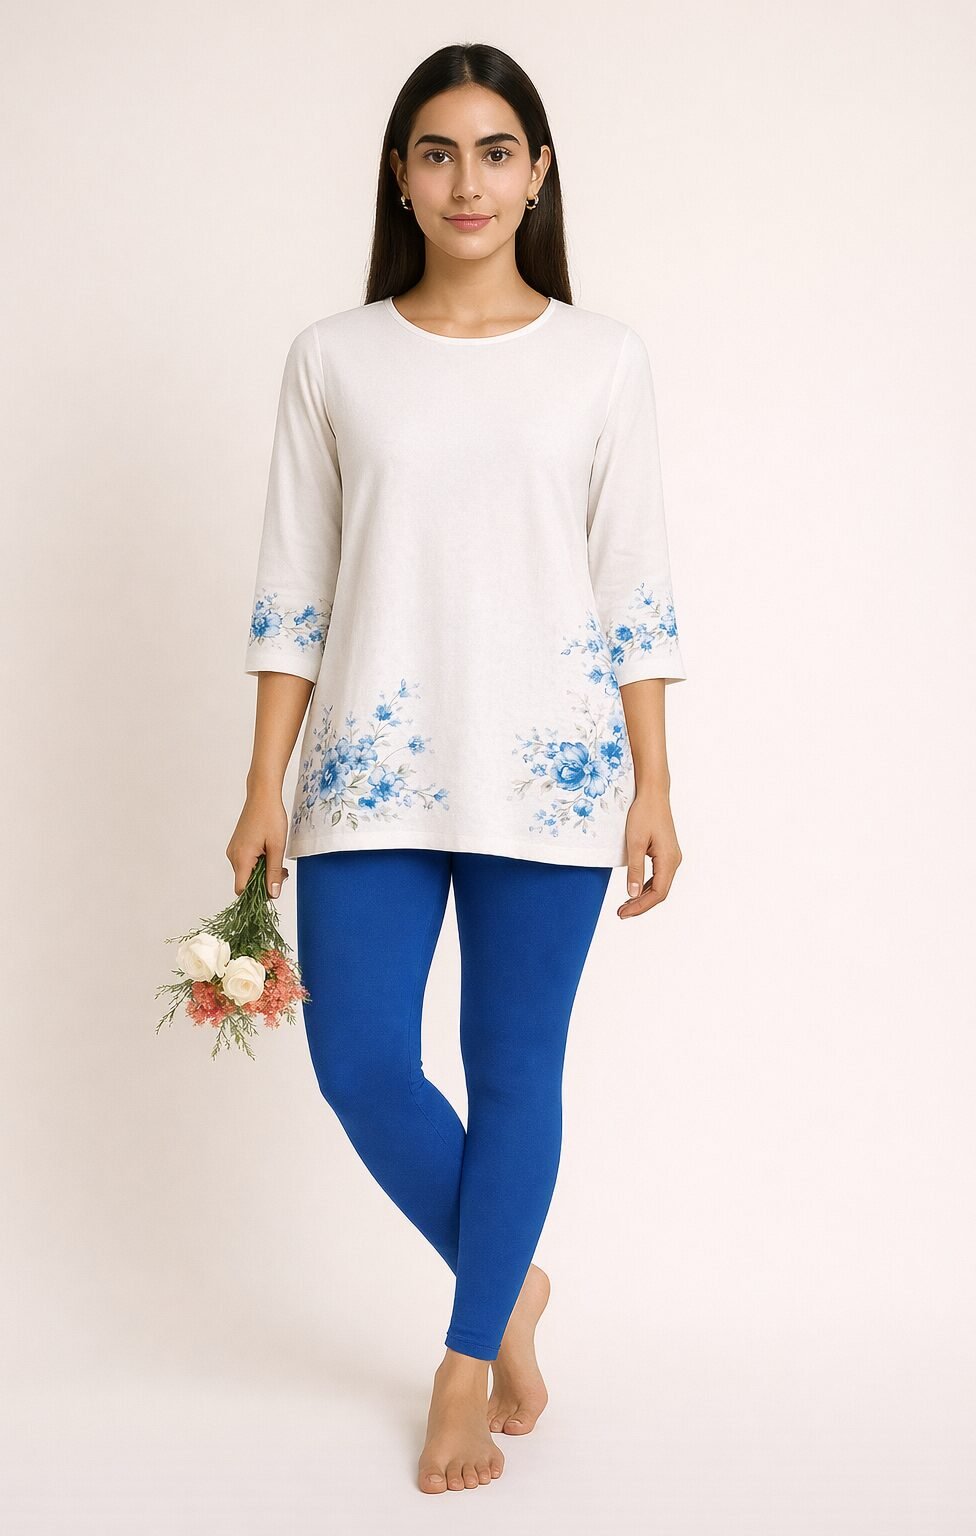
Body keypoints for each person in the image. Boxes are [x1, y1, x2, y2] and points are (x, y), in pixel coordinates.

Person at [227, 41, 688, 1496]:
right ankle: (515, 1282)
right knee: (360, 1062)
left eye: (496, 152)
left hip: (549, 776)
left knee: (512, 1070)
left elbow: (635, 587)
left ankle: (467, 1353)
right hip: (367, 768)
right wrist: (261, 785)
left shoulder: (602, 359)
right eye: (438, 152)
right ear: (400, 175)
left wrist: (655, 783)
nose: (467, 181)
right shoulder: (334, 357)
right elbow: (293, 584)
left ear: (538, 173)